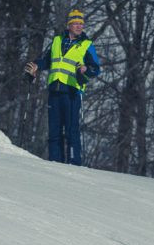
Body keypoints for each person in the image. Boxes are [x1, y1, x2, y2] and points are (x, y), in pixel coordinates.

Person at [24, 9, 100, 165]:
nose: (79, 26)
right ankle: (55, 163)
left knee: (71, 131)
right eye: (76, 23)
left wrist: (86, 70)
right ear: (69, 25)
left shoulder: (86, 45)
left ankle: (74, 163)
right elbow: (47, 60)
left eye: (81, 24)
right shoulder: (57, 41)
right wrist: (36, 66)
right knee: (54, 131)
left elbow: (96, 69)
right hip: (55, 91)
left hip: (72, 92)